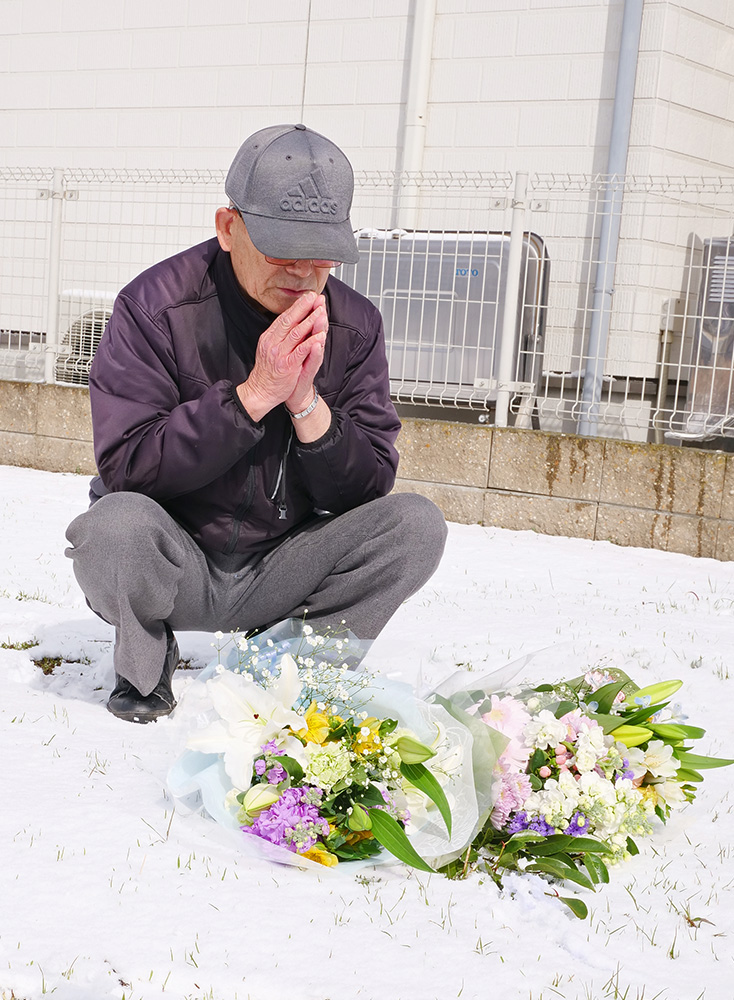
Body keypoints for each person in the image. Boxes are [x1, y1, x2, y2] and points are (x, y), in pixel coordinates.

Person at [65, 123, 447, 724]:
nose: (301, 277)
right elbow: (128, 465)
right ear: (227, 227)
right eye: (281, 254)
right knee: (112, 527)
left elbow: (369, 488)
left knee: (415, 526)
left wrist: (305, 406)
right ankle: (144, 665)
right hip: (177, 558)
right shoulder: (154, 307)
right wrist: (250, 397)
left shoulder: (354, 325)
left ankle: (291, 668)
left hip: (279, 563)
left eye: (319, 259)